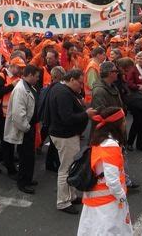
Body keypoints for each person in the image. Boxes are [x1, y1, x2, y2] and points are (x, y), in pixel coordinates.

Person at [77, 107, 132, 236]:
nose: (125, 123)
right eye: (123, 121)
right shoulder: (110, 145)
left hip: (95, 199)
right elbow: (112, 181)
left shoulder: (100, 140)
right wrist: (122, 197)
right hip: (107, 204)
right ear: (116, 125)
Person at [48, 69, 97, 214]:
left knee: (70, 167)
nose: (81, 87)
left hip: (64, 135)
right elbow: (67, 118)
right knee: (66, 169)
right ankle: (63, 202)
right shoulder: (63, 93)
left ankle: (71, 195)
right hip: (65, 136)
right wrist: (85, 114)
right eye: (80, 83)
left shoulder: (62, 88)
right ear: (71, 80)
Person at [0, 57, 26, 178]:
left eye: (22, 68)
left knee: (8, 140)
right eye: (19, 67)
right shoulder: (0, 77)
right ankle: (10, 169)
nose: (21, 70)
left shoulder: (15, 78)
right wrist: (11, 86)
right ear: (12, 66)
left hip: (10, 114)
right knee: (8, 141)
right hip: (1, 115)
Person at [4, 65, 40, 194]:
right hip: (25, 130)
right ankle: (23, 182)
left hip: (29, 127)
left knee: (30, 156)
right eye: (36, 76)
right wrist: (27, 128)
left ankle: (27, 178)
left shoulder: (28, 87)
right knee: (25, 157)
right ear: (29, 75)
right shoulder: (21, 89)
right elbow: (18, 114)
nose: (37, 79)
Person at [38, 66, 65, 172]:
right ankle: (52, 164)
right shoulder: (57, 89)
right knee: (54, 144)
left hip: (47, 119)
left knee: (53, 143)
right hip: (53, 120)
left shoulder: (48, 88)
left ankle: (50, 163)